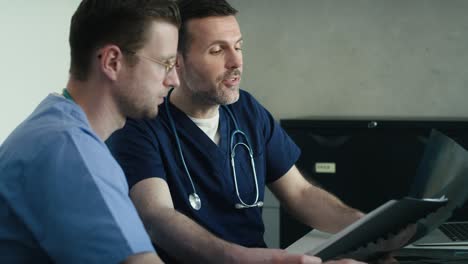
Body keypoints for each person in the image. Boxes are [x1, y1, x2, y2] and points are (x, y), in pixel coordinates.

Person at [107, 0, 410, 263]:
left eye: (238, 47)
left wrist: (368, 229)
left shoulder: (247, 111)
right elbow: (157, 218)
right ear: (178, 62)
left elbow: (301, 193)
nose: (236, 61)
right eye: (217, 50)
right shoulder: (140, 126)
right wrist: (240, 258)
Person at [0, 0, 181, 263]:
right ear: (112, 62)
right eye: (166, 63)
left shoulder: (52, 124)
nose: (173, 79)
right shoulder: (69, 150)